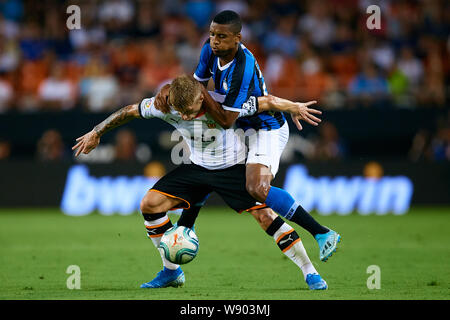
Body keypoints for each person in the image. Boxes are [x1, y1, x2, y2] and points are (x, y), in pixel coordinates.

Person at [72, 74, 328, 290]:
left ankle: (309, 270)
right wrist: (96, 132)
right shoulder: (164, 104)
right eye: (180, 112)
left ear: (201, 99)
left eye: (190, 111)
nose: (184, 117)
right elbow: (128, 111)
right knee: (149, 204)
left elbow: (267, 102)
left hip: (233, 167)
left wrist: (293, 106)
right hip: (197, 167)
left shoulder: (226, 105)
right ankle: (171, 271)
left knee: (266, 217)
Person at [155, 10, 340, 262]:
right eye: (211, 35)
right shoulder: (209, 50)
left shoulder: (243, 66)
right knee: (207, 163)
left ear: (237, 38)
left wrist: (201, 93)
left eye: (221, 36)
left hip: (265, 128)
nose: (215, 41)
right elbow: (194, 84)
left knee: (257, 187)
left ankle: (322, 233)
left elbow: (226, 117)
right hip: (240, 125)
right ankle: (187, 226)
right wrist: (172, 88)